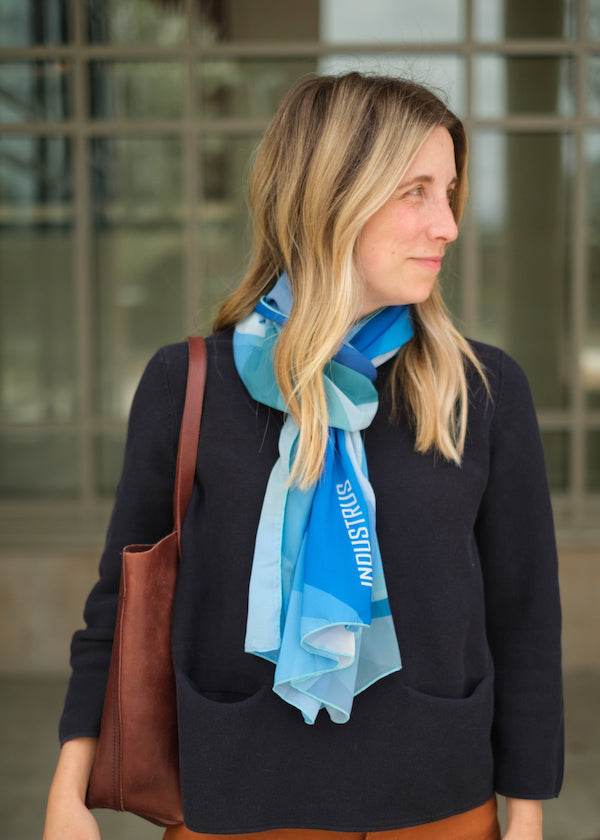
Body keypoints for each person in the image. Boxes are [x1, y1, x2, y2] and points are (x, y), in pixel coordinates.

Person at [44, 72, 563, 840]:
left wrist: (527, 812)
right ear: (330, 196)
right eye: (416, 191)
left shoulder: (480, 390)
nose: (448, 225)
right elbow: (123, 602)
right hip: (240, 804)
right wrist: (69, 789)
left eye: (448, 192)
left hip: (438, 806)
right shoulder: (190, 384)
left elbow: (522, 616)